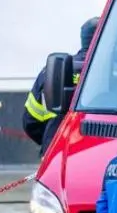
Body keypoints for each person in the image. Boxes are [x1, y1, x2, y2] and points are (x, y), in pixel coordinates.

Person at [23, 17, 99, 155]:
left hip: (55, 153)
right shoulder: (115, 74)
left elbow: (31, 121)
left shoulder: (52, 70)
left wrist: (51, 139)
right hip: (96, 152)